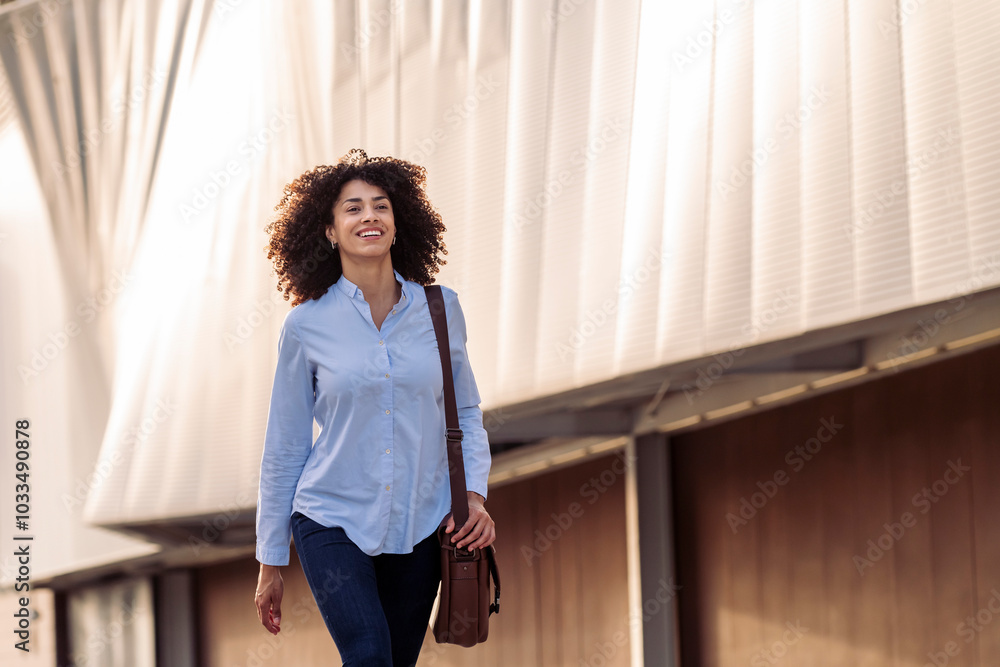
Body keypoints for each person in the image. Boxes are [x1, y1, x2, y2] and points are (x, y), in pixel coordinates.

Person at [253, 149, 495, 666]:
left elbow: (467, 411)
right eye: (353, 208)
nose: (369, 217)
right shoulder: (306, 326)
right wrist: (271, 561)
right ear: (329, 231)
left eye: (380, 206)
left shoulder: (441, 308)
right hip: (331, 516)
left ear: (396, 220)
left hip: (424, 520)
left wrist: (473, 497)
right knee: (368, 655)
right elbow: (286, 444)